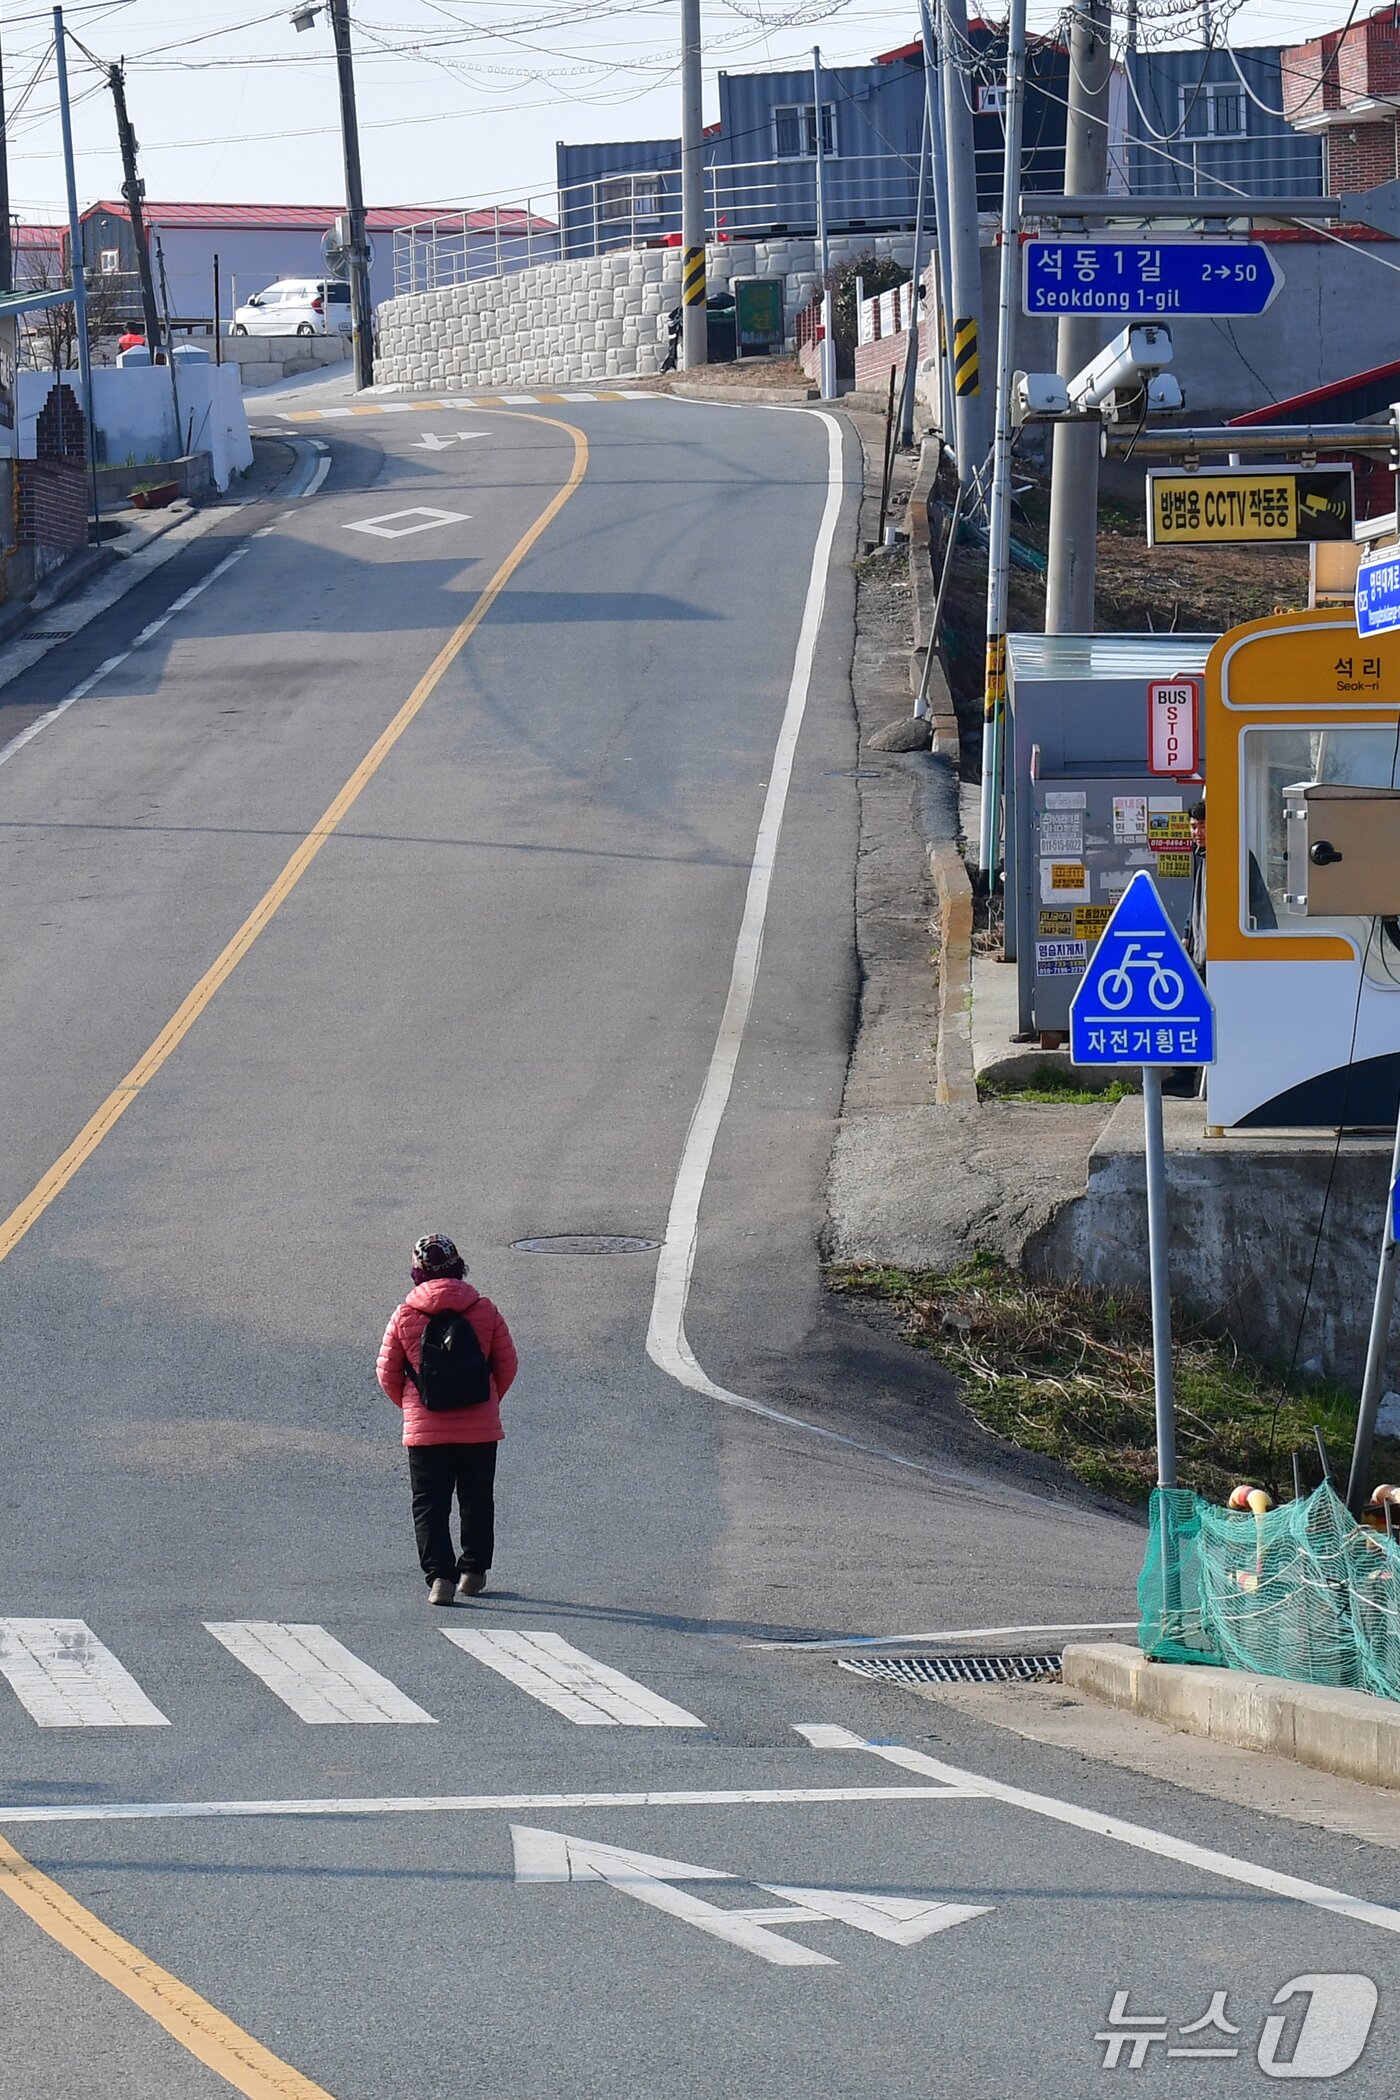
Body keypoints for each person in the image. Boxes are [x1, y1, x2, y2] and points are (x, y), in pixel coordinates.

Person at [377, 1234, 518, 1606]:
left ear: (416, 1272)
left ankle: (440, 1577)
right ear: (459, 1267)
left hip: (426, 1431)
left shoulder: (405, 1314)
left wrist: (413, 1405)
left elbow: (388, 1373)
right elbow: (507, 1364)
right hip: (480, 1427)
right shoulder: (484, 1309)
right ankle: (473, 1571)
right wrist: (485, 1400)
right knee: (476, 1498)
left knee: (430, 1503)